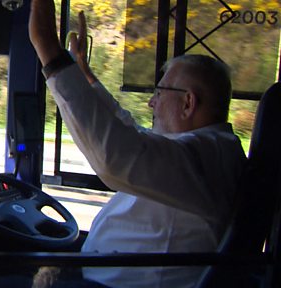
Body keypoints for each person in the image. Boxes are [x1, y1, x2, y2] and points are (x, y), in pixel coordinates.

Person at [27, 0, 247, 287]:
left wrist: (49, 50)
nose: (151, 102)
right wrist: (85, 75)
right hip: (99, 273)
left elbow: (116, 156)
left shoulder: (207, 158)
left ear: (188, 103)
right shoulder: (203, 151)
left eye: (159, 92)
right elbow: (128, 130)